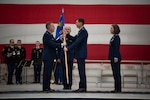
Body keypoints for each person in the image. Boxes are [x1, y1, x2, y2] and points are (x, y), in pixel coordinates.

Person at [64, 18, 88, 92]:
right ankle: (81, 86)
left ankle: (83, 87)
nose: (75, 23)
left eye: (76, 22)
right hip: (79, 53)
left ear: (81, 23)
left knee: (82, 71)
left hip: (81, 53)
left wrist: (68, 48)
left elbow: (77, 42)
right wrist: (67, 35)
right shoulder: (80, 31)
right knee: (80, 70)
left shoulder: (83, 31)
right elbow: (74, 39)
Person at [42, 22, 64, 92]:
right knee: (47, 73)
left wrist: (61, 37)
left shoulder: (50, 35)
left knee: (49, 73)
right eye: (53, 26)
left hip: (50, 56)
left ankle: (47, 87)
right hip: (48, 56)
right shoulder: (46, 35)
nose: (54, 28)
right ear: (49, 27)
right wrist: (61, 45)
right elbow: (52, 44)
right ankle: (45, 87)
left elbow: (54, 42)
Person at [108, 24, 122, 93]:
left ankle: (118, 88)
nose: (110, 30)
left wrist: (116, 56)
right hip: (112, 57)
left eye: (111, 28)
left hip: (115, 57)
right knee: (114, 73)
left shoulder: (117, 37)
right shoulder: (113, 37)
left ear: (115, 29)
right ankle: (116, 88)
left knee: (117, 73)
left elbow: (116, 47)